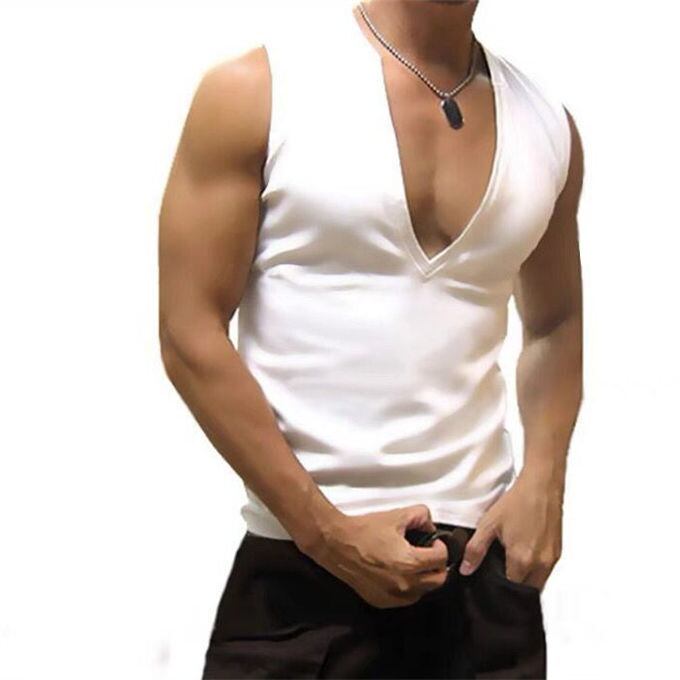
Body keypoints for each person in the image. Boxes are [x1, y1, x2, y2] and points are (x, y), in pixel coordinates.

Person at [158, 0, 584, 677]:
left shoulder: (548, 127)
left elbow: (555, 322)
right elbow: (189, 330)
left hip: (479, 582)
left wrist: (544, 481)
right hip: (300, 577)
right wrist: (325, 533)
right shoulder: (260, 91)